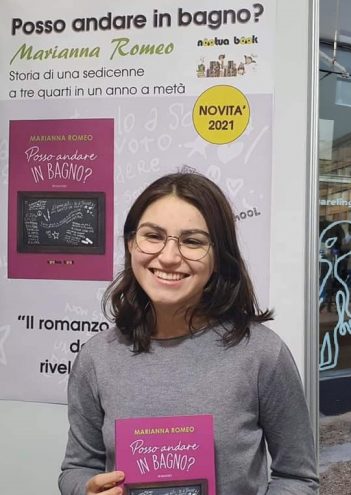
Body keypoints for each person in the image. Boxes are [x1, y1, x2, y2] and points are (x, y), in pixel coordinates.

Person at [59, 172, 319, 495]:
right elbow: (77, 467)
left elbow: (298, 478)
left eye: (192, 241)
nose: (168, 257)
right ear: (131, 244)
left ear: (218, 258)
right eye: (153, 236)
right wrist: (86, 489)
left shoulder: (263, 354)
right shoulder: (97, 357)